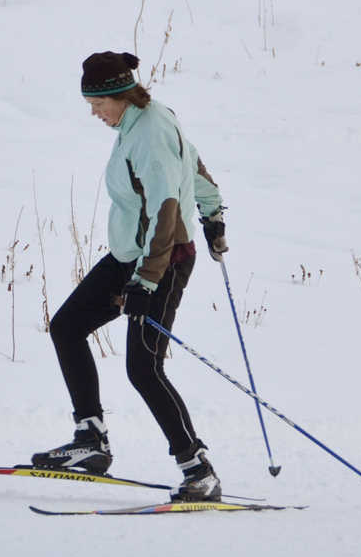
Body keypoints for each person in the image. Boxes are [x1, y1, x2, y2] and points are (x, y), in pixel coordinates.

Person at [32, 51, 229, 501]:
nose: (93, 112)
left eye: (97, 104)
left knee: (144, 368)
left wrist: (146, 282)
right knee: (67, 327)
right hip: (132, 256)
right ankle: (90, 441)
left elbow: (166, 212)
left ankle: (198, 469)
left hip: (162, 260)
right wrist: (214, 214)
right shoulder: (142, 122)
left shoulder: (150, 135)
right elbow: (194, 166)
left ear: (118, 95)